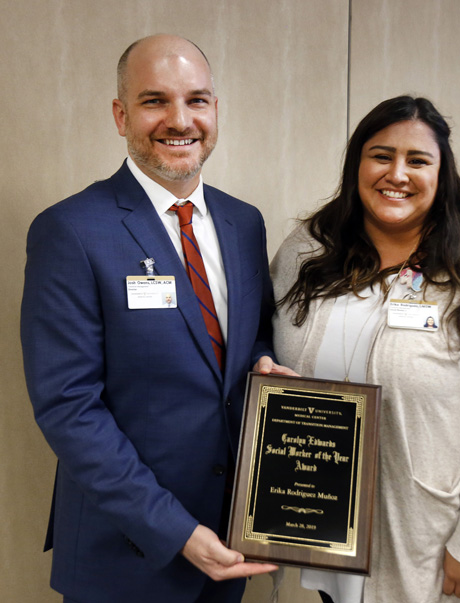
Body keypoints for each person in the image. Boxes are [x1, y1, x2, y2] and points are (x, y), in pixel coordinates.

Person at [20, 34, 291, 603]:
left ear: (215, 111)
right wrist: (177, 533)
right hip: (125, 554)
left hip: (231, 540)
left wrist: (263, 360)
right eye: (154, 101)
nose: (180, 119)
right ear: (121, 115)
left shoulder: (245, 224)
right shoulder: (71, 230)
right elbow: (69, 407)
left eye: (197, 100)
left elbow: (250, 336)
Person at [271, 96, 460, 602]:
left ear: (442, 174)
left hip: (424, 534)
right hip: (320, 519)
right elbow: (277, 356)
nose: (397, 173)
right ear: (357, 165)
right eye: (381, 155)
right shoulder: (307, 249)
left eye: (417, 160)